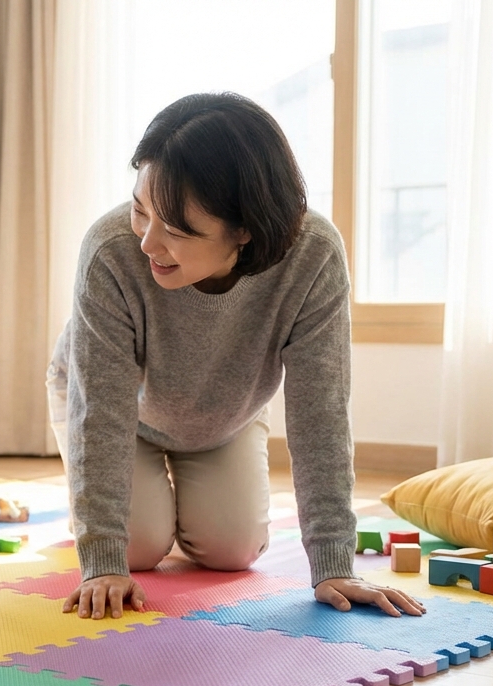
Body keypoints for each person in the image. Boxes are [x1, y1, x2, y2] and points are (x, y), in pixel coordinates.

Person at [48, 92, 424, 621]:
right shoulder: (111, 251)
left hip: (226, 414)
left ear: (244, 230)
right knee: (137, 549)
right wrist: (102, 558)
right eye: (140, 209)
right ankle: (111, 515)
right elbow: (100, 409)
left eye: (176, 231)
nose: (147, 242)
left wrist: (335, 563)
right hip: (111, 410)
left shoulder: (312, 255)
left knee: (233, 551)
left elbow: (322, 412)